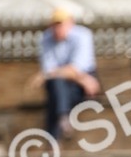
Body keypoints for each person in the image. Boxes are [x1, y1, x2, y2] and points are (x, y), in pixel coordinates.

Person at [31, 8, 101, 141]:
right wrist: (83, 79)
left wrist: (78, 77)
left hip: (80, 83)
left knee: (55, 96)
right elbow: (49, 70)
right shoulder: (46, 37)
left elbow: (76, 68)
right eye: (55, 24)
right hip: (76, 81)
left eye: (60, 23)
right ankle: (63, 118)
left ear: (71, 23)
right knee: (57, 86)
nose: (57, 28)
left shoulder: (82, 35)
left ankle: (54, 137)